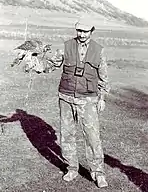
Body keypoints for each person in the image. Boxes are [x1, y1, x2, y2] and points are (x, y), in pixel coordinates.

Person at [40, 18, 110, 188]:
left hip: (88, 99)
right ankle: (72, 168)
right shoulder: (66, 46)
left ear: (91, 31)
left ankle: (98, 172)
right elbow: (52, 64)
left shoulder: (98, 50)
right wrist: (37, 62)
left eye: (85, 31)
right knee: (67, 134)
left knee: (92, 137)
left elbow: (103, 77)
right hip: (66, 97)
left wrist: (102, 98)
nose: (81, 34)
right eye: (79, 31)